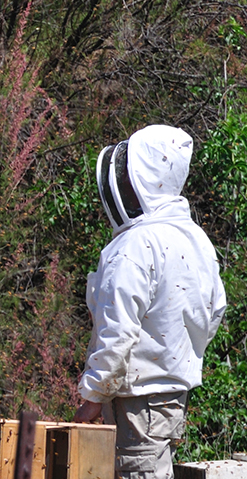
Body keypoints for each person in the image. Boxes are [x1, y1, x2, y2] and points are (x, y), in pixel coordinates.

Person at [73, 125, 225, 479]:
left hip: (137, 403)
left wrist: (93, 395)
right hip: (168, 398)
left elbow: (118, 331)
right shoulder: (197, 241)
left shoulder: (136, 246)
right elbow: (213, 312)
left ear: (139, 180)